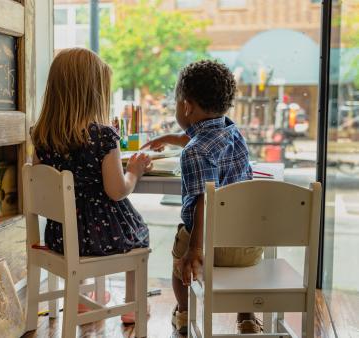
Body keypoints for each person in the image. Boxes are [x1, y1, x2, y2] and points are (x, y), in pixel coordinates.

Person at [30, 47, 151, 324]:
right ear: (93, 92)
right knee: (139, 231)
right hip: (100, 236)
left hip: (59, 237)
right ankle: (133, 308)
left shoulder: (42, 137)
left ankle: (84, 301)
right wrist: (133, 171)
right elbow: (116, 191)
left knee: (84, 224)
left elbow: (41, 182)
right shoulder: (103, 136)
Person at [142, 60, 263, 334]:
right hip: (246, 250)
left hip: (208, 249)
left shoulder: (194, 153)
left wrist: (194, 251)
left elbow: (204, 202)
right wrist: (170, 138)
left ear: (186, 106)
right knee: (239, 266)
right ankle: (246, 317)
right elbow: (204, 138)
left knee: (177, 264)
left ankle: (184, 313)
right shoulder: (233, 132)